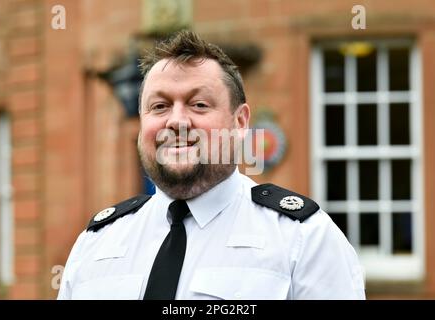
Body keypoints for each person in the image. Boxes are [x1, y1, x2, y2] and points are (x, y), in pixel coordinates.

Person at [57, 30, 365, 300]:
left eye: (199, 104)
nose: (176, 121)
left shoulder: (303, 239)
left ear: (240, 121)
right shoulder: (96, 244)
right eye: (159, 106)